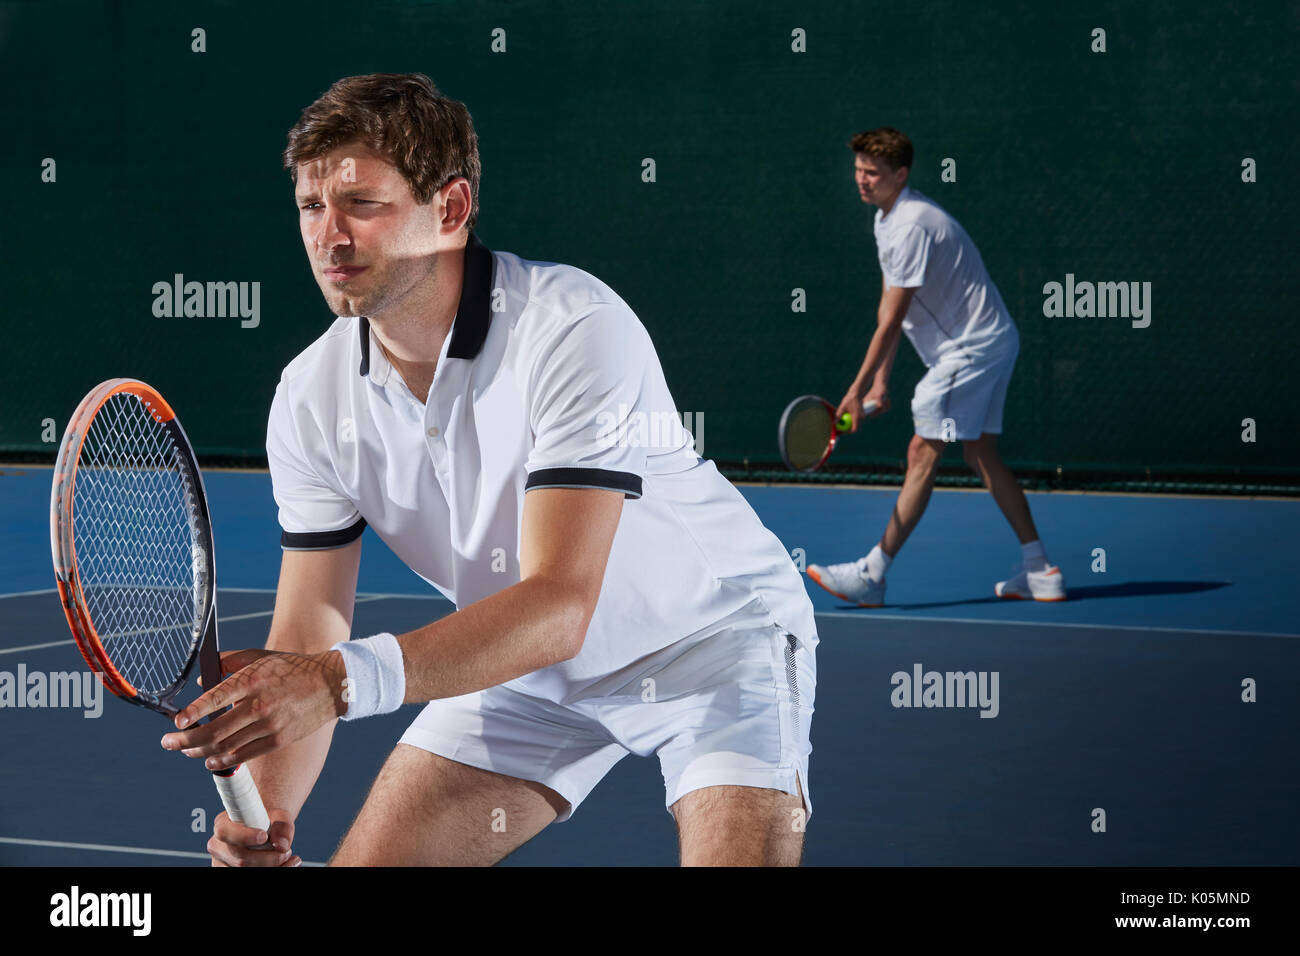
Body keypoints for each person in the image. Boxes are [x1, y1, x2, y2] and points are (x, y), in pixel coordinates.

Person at [160, 73, 817, 866]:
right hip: (521, 673)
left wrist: (335, 681)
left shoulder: (574, 329)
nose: (328, 237)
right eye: (310, 206)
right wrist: (265, 806)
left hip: (711, 647)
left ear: (452, 210)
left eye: (362, 205)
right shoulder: (308, 397)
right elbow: (307, 635)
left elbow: (560, 604)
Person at [806, 128, 1066, 607]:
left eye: (874, 173)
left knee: (923, 450)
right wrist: (880, 383)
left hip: (971, 349)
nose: (862, 180)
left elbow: (892, 320)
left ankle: (872, 574)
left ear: (900, 175)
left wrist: (854, 390)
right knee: (981, 454)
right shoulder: (889, 219)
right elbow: (889, 310)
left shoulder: (911, 226)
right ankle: (1040, 569)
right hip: (994, 341)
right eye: (859, 170)